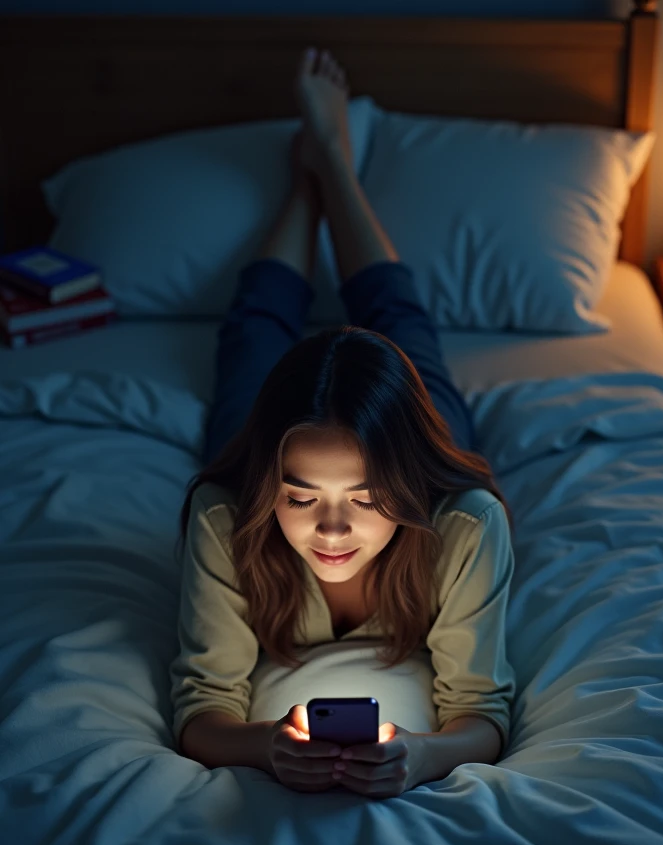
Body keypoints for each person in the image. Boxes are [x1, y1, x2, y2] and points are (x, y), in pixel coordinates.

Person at [169, 48, 518, 800]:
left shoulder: (465, 525)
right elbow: (201, 708)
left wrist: (421, 756)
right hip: (270, 424)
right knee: (254, 338)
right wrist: (265, 746)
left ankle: (332, 163)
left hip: (421, 434)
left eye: (365, 499)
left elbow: (482, 711)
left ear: (406, 483)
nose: (330, 532)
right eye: (300, 498)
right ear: (271, 484)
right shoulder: (227, 512)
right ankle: (313, 174)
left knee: (401, 325)